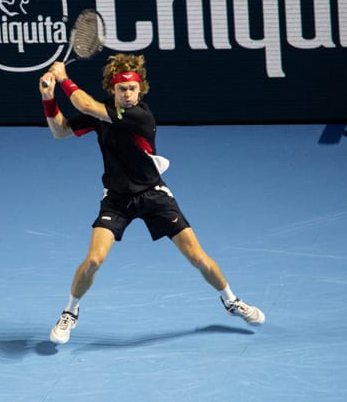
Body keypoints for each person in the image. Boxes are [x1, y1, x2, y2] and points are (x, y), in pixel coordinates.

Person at [39, 53, 265, 345]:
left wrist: (63, 78)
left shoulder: (140, 116)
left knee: (197, 256)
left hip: (153, 194)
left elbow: (84, 103)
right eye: (122, 89)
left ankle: (231, 301)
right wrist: (48, 97)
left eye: (133, 89)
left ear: (140, 90)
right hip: (117, 199)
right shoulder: (102, 115)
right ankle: (70, 312)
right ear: (113, 89)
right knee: (94, 259)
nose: (129, 94)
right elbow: (60, 131)